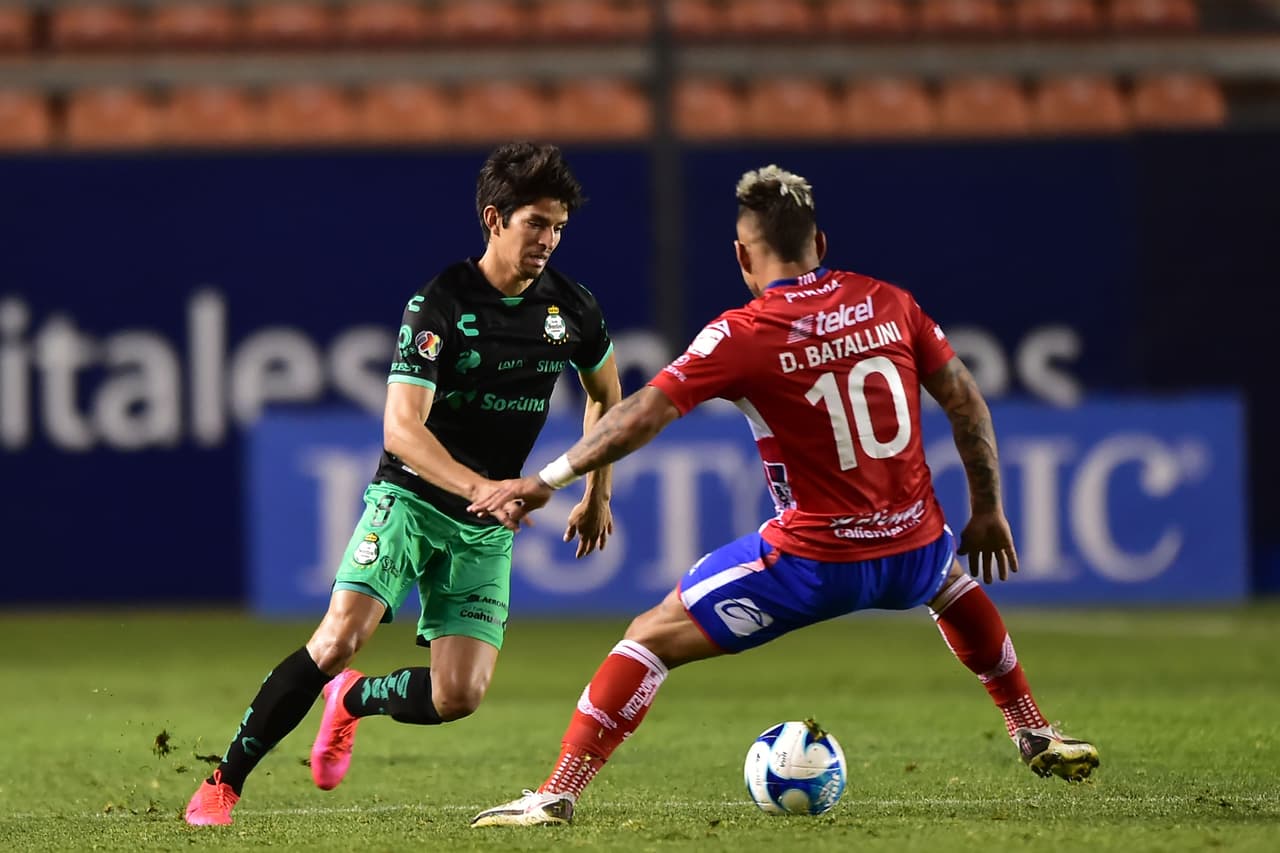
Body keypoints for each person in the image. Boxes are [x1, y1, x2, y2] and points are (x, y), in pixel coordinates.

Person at [466, 164, 1099, 828]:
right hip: (913, 549)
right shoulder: (891, 302)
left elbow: (640, 415)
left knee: (647, 638)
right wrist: (989, 508)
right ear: (820, 243)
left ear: (742, 255)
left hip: (814, 565)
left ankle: (557, 792)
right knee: (950, 581)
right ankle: (1031, 727)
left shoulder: (746, 332)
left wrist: (545, 480)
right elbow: (966, 402)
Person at [184, 141, 623, 826]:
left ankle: (353, 700)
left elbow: (606, 396)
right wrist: (480, 484)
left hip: (485, 521)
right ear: (494, 218)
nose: (549, 239)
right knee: (336, 639)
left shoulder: (573, 308)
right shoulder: (441, 302)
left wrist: (598, 493)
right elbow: (401, 430)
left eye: (559, 226)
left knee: (460, 696)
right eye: (536, 222)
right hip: (411, 499)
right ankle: (223, 781)